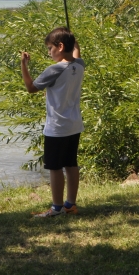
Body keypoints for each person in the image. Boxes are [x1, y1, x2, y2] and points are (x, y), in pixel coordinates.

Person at [20, 27, 85, 218]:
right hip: (74, 125)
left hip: (57, 127)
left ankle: (56, 208)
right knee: (71, 164)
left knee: (55, 168)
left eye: (50, 48)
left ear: (60, 46)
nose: (49, 52)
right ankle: (70, 205)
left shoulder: (55, 69)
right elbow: (76, 54)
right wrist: (73, 41)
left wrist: (23, 64)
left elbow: (31, 88)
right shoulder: (79, 65)